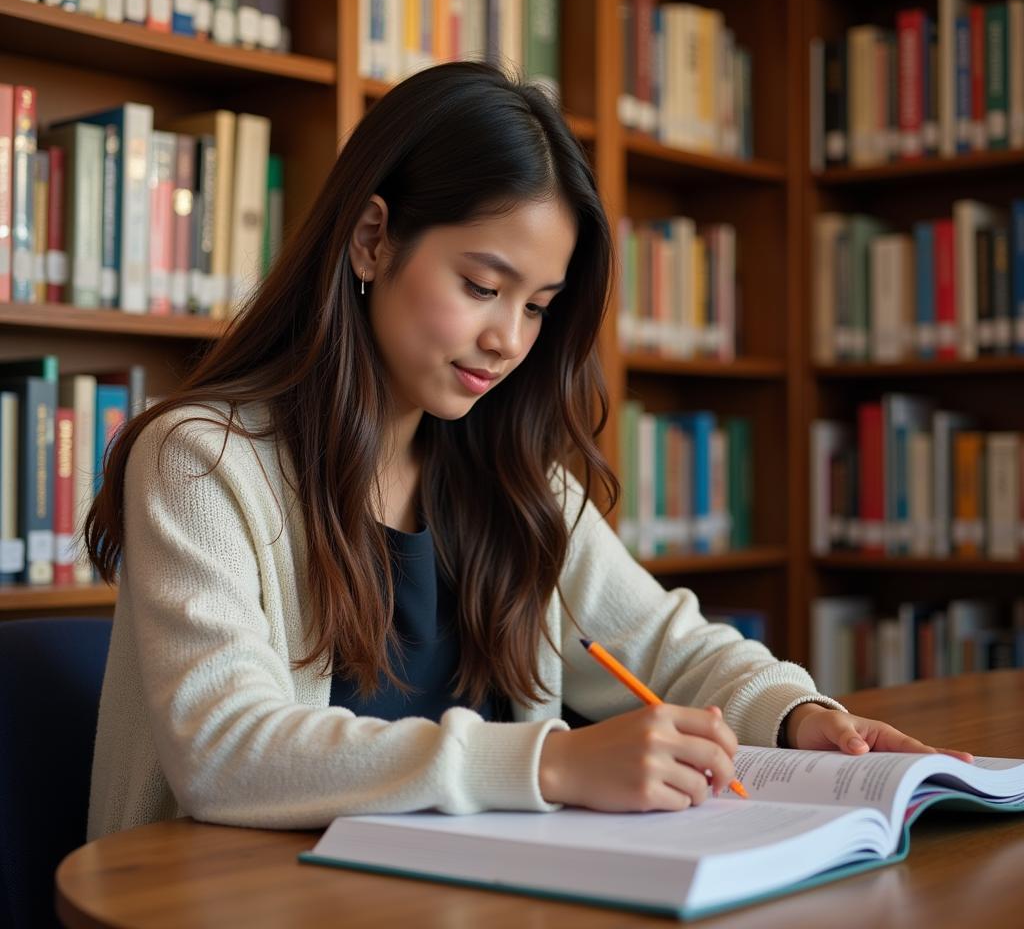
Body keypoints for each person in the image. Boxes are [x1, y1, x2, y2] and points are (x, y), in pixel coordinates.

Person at [84, 61, 971, 839]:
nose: (509, 338)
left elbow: (669, 648)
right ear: (371, 238)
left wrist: (800, 714)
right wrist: (552, 764)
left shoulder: (510, 476)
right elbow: (227, 749)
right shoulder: (202, 462)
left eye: (539, 304)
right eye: (481, 285)